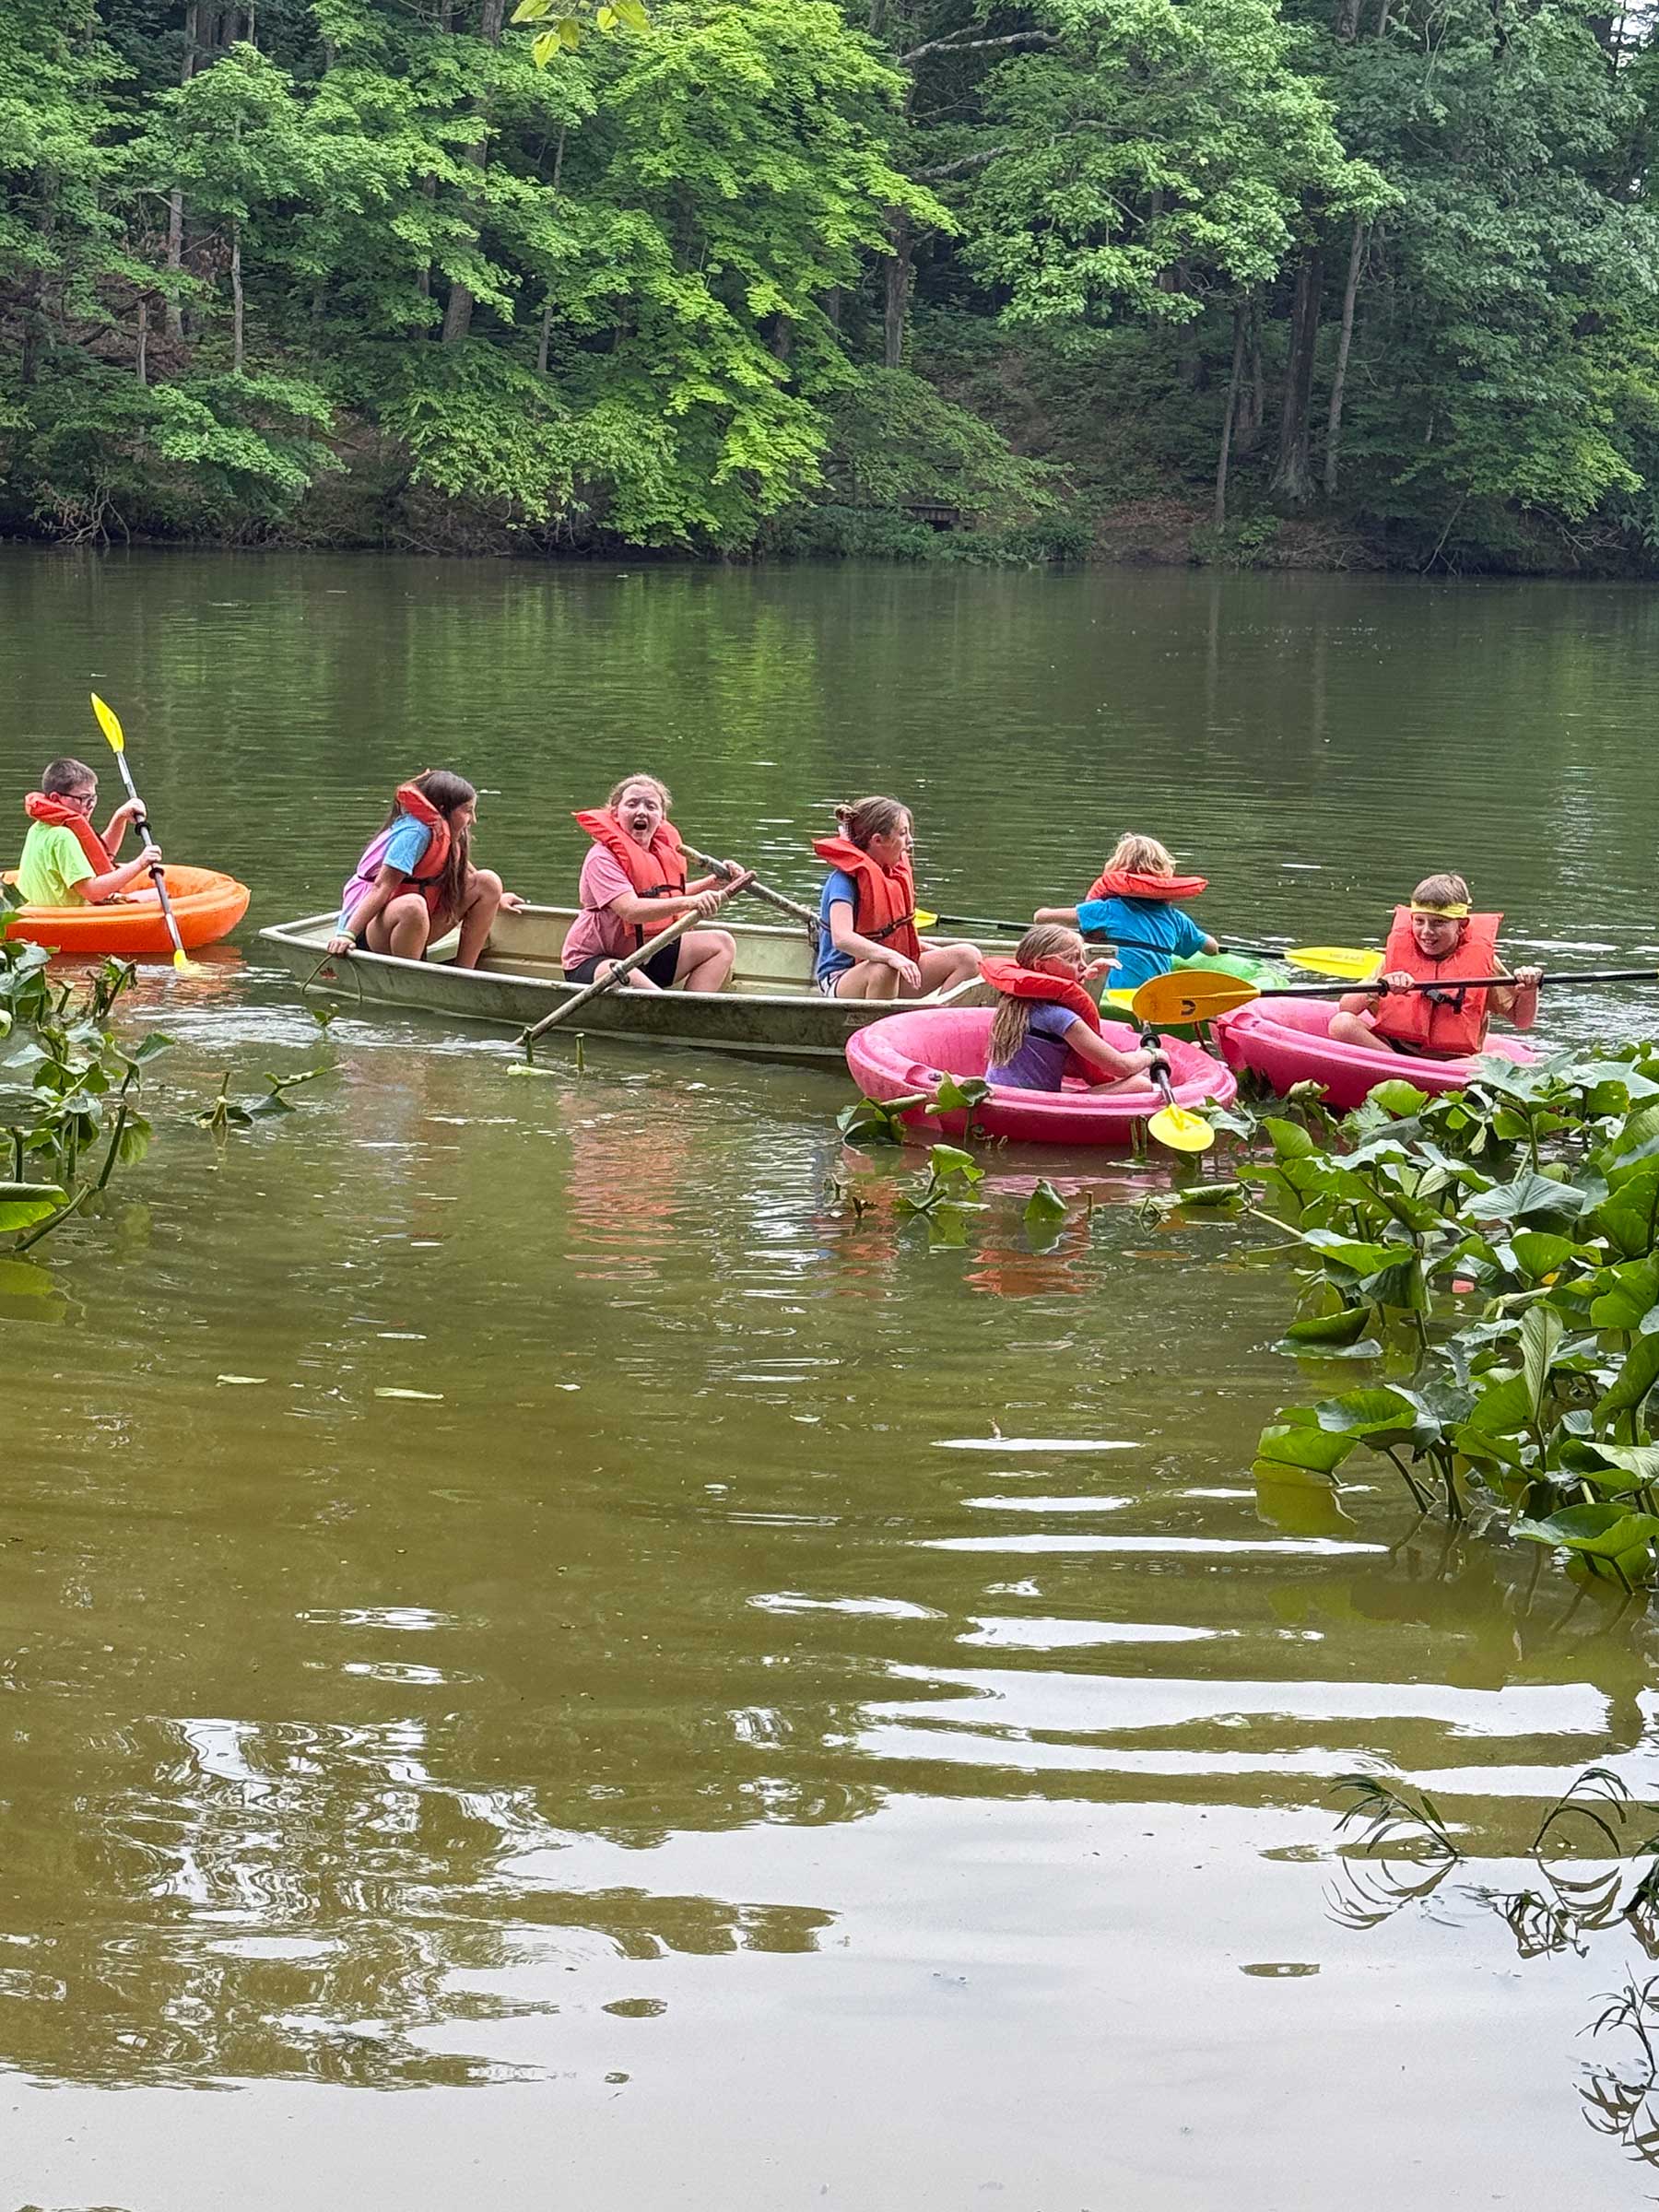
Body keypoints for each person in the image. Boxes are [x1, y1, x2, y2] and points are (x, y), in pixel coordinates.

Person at [563, 774, 747, 993]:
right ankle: (670, 1013)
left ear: (662, 817)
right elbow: (630, 910)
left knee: (722, 944)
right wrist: (691, 903)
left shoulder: (659, 852)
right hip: (596, 962)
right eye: (632, 804)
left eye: (651, 806)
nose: (641, 811)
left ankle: (692, 1013)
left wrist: (715, 881)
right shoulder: (601, 858)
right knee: (622, 972)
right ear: (614, 813)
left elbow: (664, 897)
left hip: (648, 955)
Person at [1326, 873, 1541, 1058]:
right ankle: (1402, 1069)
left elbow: (1521, 1021)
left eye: (1439, 923)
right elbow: (1347, 1007)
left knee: (1499, 1059)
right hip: (1392, 1050)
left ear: (1461, 925)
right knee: (1342, 1023)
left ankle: (1408, 1074)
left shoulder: (1486, 963)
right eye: (1419, 921)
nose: (1426, 932)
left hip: (1452, 1061)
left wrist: (1529, 990)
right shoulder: (1396, 958)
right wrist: (1380, 988)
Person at [327, 770, 519, 968]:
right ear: (444, 809)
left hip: (416, 927)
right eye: (467, 810)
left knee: (489, 882)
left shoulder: (447, 833)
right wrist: (346, 935)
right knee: (413, 905)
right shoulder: (415, 834)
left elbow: (470, 875)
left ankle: (464, 974)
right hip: (371, 933)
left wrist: (497, 898)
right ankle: (411, 980)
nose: (473, 819)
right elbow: (381, 886)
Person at [813, 796, 981, 1000]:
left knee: (968, 957)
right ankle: (877, 1030)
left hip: (890, 968)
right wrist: (893, 957)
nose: (910, 841)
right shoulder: (843, 880)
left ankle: (930, 1019)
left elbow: (899, 939)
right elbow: (842, 938)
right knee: (884, 968)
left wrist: (941, 953)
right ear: (877, 840)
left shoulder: (890, 876)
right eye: (902, 833)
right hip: (844, 979)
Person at [982, 925, 1169, 1092]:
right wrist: (1152, 1054)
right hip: (1037, 1106)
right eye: (1072, 959)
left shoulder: (1011, 1005)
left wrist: (1084, 974)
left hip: (999, 1094)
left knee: (1137, 1073)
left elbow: (1070, 1066)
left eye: (1083, 958)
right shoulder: (1059, 1018)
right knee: (1140, 1084)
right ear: (1041, 966)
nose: (1083, 965)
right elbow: (1121, 1066)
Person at [1034, 832, 1218, 992]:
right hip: (1153, 1001)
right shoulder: (1177, 920)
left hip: (1113, 998)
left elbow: (1041, 918)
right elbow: (1212, 948)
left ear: (1116, 868)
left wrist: (1043, 912)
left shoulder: (1106, 910)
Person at [16, 757, 161, 907]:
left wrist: (119, 818)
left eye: (93, 798)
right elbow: (92, 892)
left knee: (148, 895)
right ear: (56, 798)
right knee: (159, 896)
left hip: (40, 914)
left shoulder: (38, 828)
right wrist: (140, 863)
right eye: (84, 799)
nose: (90, 806)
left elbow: (98, 858)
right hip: (68, 921)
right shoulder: (63, 837)